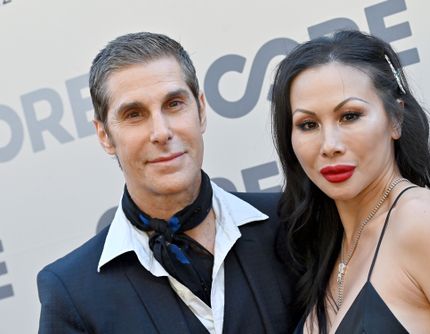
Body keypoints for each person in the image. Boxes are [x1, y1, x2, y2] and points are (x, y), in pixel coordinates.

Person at [37, 32, 295, 334]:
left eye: (173, 104)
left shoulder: (291, 222)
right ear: (104, 135)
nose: (161, 132)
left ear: (200, 110)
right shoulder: (70, 291)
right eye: (134, 114)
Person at [271, 30, 430, 333]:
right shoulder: (331, 246)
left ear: (395, 119)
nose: (329, 144)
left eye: (349, 116)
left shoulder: (419, 222)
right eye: (308, 124)